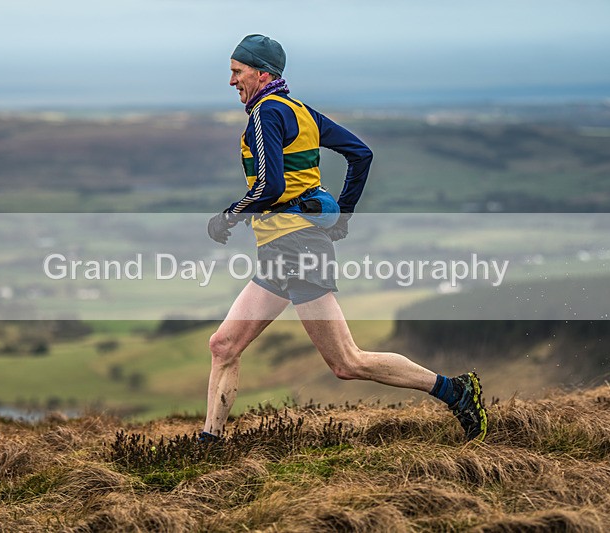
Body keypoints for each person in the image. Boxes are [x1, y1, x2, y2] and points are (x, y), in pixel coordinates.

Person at [203, 34, 488, 442]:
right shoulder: (302, 112)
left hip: (296, 249)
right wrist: (342, 215)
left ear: (262, 73)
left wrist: (228, 217)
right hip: (281, 250)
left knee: (347, 361)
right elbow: (361, 153)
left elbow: (269, 186)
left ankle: (454, 390)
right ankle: (208, 443)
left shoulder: (266, 113)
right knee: (223, 345)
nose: (232, 81)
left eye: (237, 72)